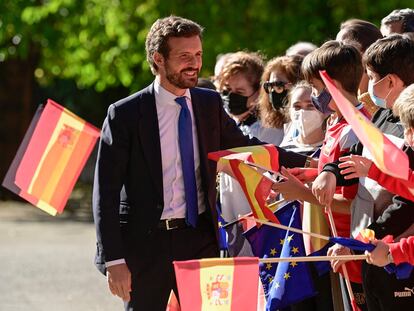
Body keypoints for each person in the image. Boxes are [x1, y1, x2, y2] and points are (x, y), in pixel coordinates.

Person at [92, 16, 309, 311]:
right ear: (158, 59)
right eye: (184, 57)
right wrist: (113, 259)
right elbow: (104, 193)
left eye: (198, 55)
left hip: (199, 240)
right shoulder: (125, 115)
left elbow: (253, 148)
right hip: (146, 245)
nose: (194, 64)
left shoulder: (208, 104)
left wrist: (313, 161)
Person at [312, 34, 414, 310]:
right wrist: (331, 172)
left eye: (370, 76)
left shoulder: (410, 127)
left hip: (398, 254)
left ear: (391, 81)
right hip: (372, 248)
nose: (366, 86)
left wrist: (364, 240)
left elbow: (405, 200)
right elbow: (355, 155)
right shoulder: (381, 115)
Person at [272, 40, 370, 311]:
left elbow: (355, 205)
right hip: (335, 244)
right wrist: (310, 174)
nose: (314, 97)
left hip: (355, 249)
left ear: (332, 85)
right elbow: (336, 173)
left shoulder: (356, 130)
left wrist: (301, 194)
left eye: (316, 88)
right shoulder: (335, 122)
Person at [336, 18, 383, 118]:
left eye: (343, 48)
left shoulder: (383, 98)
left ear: (367, 51)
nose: (335, 53)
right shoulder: (340, 99)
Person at [258, 55, 304, 146]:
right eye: (270, 86)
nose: (273, 91)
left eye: (279, 86)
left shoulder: (311, 125)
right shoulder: (268, 128)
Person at [217, 51, 265, 138]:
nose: (231, 96)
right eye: (227, 89)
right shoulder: (219, 120)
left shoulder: (267, 127)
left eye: (239, 92)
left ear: (258, 92)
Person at [280, 81, 326, 155]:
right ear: (290, 111)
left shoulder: (330, 148)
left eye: (310, 105)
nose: (303, 112)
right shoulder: (284, 151)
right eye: (297, 106)